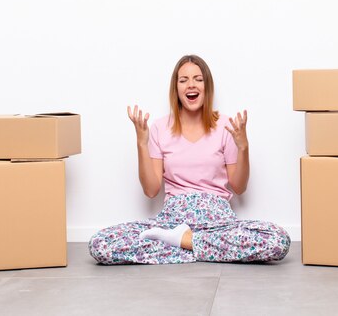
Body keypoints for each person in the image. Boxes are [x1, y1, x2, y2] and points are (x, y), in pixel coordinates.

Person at [88, 54, 290, 264]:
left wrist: (243, 147)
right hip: (172, 221)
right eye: (183, 80)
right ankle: (202, 246)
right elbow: (150, 190)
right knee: (100, 244)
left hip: (218, 221)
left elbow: (239, 187)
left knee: (278, 240)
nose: (191, 85)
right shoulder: (159, 128)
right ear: (176, 89)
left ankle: (181, 243)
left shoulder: (226, 125)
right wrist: (141, 143)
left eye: (198, 79)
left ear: (207, 86)